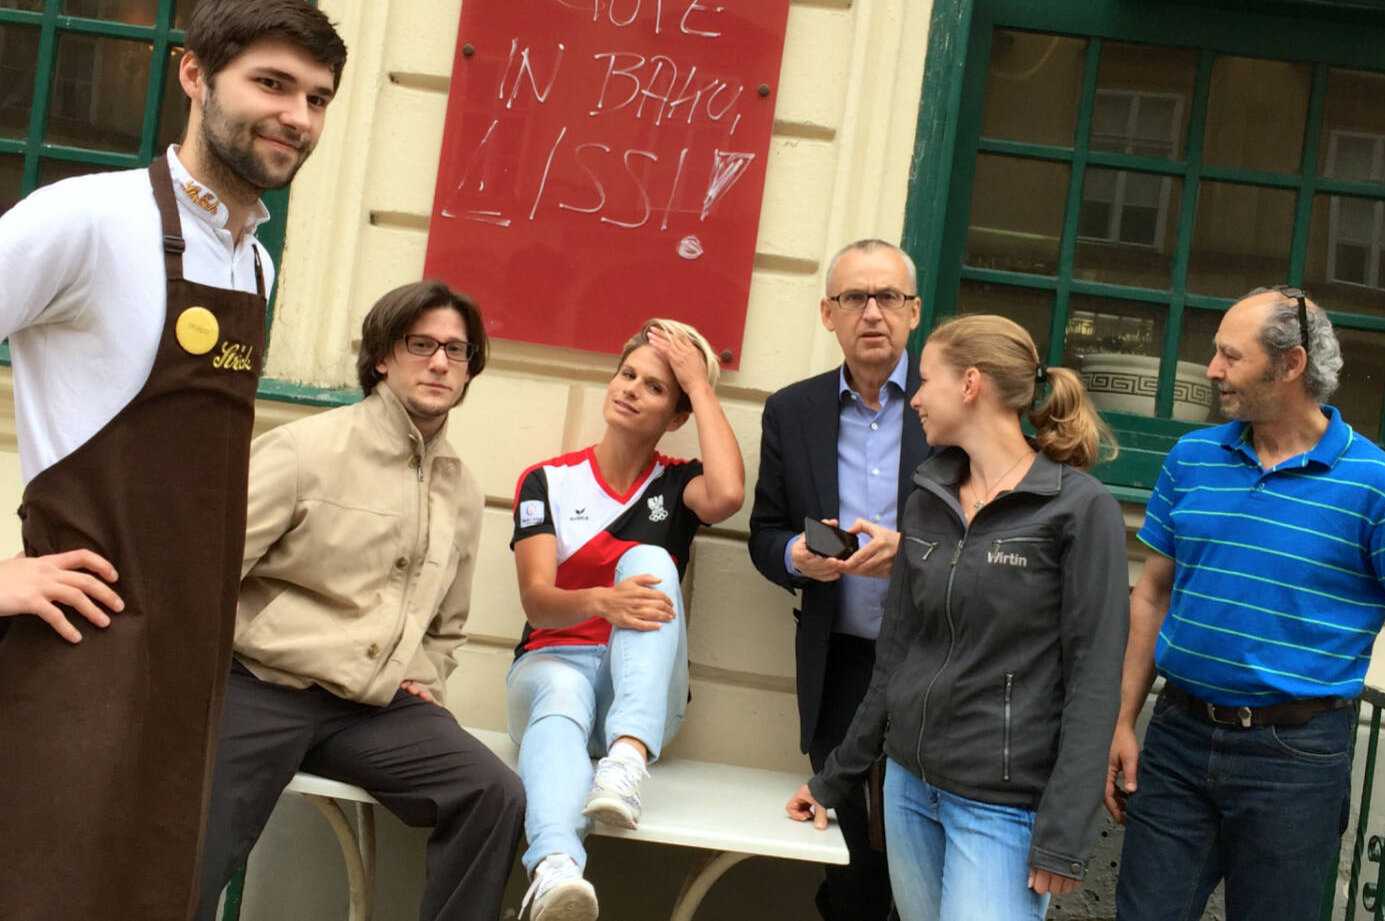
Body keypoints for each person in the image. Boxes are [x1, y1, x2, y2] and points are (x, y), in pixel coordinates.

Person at [0, 0, 345, 919]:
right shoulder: (85, 219)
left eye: (317, 98)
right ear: (193, 74)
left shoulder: (254, 259)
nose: (297, 116)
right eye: (272, 85)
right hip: (77, 655)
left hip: (190, 664)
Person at [192, 279, 524, 921]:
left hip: (372, 708)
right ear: (381, 356)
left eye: (456, 351)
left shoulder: (461, 489)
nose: (439, 363)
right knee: (193, 847)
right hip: (261, 684)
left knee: (495, 793)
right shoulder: (302, 450)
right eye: (420, 343)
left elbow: (446, 626)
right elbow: (208, 571)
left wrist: (425, 677)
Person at [1107, 287, 1385, 921]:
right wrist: (1125, 722)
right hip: (1176, 735)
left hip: (1296, 758)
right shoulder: (1191, 459)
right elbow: (1152, 591)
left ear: (1290, 365)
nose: (1212, 370)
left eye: (1231, 356)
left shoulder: (1382, 487)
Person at [787, 314, 1130, 920]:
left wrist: (1064, 833)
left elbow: (1095, 677)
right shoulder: (929, 499)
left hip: (1002, 808)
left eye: (925, 380)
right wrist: (833, 780)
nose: (914, 397)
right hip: (909, 789)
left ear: (970, 384)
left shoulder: (1079, 509)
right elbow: (894, 660)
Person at [507, 319, 745, 921]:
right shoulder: (548, 481)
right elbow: (536, 600)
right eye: (627, 374)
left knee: (650, 558)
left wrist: (700, 379)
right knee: (562, 684)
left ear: (676, 416)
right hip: (550, 670)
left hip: (636, 693)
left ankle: (627, 759)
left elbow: (728, 495)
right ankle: (554, 871)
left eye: (657, 387)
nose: (632, 389)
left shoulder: (678, 482)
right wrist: (597, 601)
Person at [749, 237, 929, 920]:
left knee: (917, 862)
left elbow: (992, 534)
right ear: (828, 313)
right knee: (851, 863)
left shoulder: (949, 406)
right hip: (842, 663)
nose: (872, 312)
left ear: (913, 311)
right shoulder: (792, 411)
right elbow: (763, 531)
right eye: (855, 297)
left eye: (888, 297)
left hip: (938, 662)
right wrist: (797, 554)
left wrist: (911, 550)